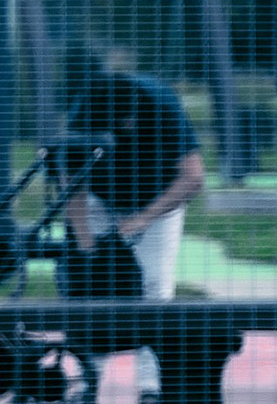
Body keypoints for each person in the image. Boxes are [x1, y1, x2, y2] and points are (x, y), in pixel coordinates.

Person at [64, 50, 204, 304]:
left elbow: (193, 177)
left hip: (158, 202)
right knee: (89, 283)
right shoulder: (86, 106)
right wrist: (84, 238)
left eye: (130, 120)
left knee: (153, 287)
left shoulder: (163, 104)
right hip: (101, 199)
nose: (126, 127)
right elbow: (71, 179)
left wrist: (143, 218)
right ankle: (94, 342)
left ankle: (147, 343)